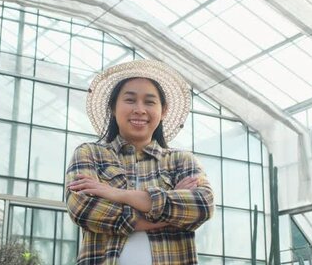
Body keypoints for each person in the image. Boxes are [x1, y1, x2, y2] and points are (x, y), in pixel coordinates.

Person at [65, 59, 215, 265]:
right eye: (130, 100)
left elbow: (203, 205)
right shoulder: (90, 154)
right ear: (113, 107)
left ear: (163, 111)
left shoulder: (181, 161)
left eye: (150, 102)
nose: (140, 109)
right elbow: (82, 207)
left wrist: (117, 194)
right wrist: (165, 214)